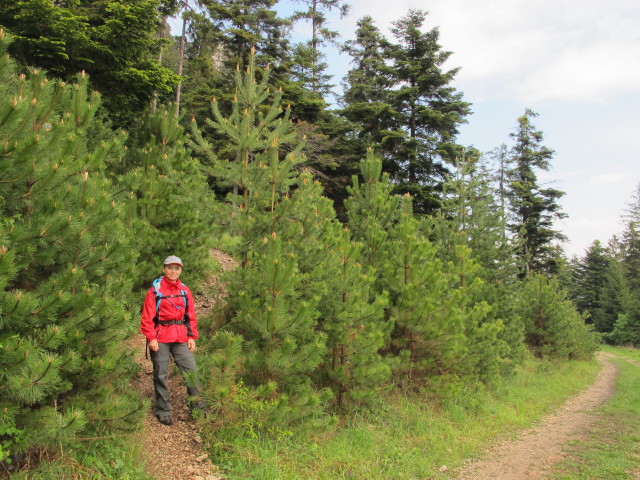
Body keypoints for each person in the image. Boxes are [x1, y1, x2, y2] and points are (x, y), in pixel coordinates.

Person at [140, 255, 201, 426]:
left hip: (180, 335)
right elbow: (147, 317)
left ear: (180, 270)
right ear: (164, 269)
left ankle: (199, 409)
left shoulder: (184, 290)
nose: (173, 271)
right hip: (160, 336)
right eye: (170, 268)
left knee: (191, 371)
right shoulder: (155, 291)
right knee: (161, 373)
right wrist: (151, 337)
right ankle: (163, 410)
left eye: (177, 268)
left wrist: (191, 336)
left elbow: (191, 316)